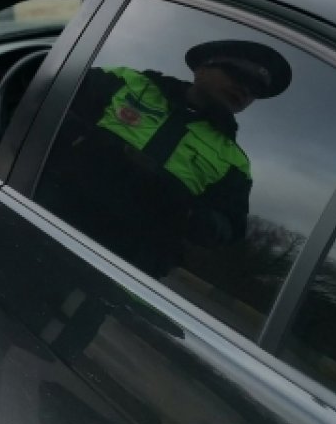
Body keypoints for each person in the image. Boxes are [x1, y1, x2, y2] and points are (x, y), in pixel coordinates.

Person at [38, 39, 292, 279]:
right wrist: (86, 143)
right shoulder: (127, 83)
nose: (245, 89)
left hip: (116, 269)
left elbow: (229, 231)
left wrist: (184, 210)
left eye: (256, 89)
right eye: (238, 75)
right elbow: (42, 99)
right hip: (40, 217)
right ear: (201, 69)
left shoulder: (234, 162)